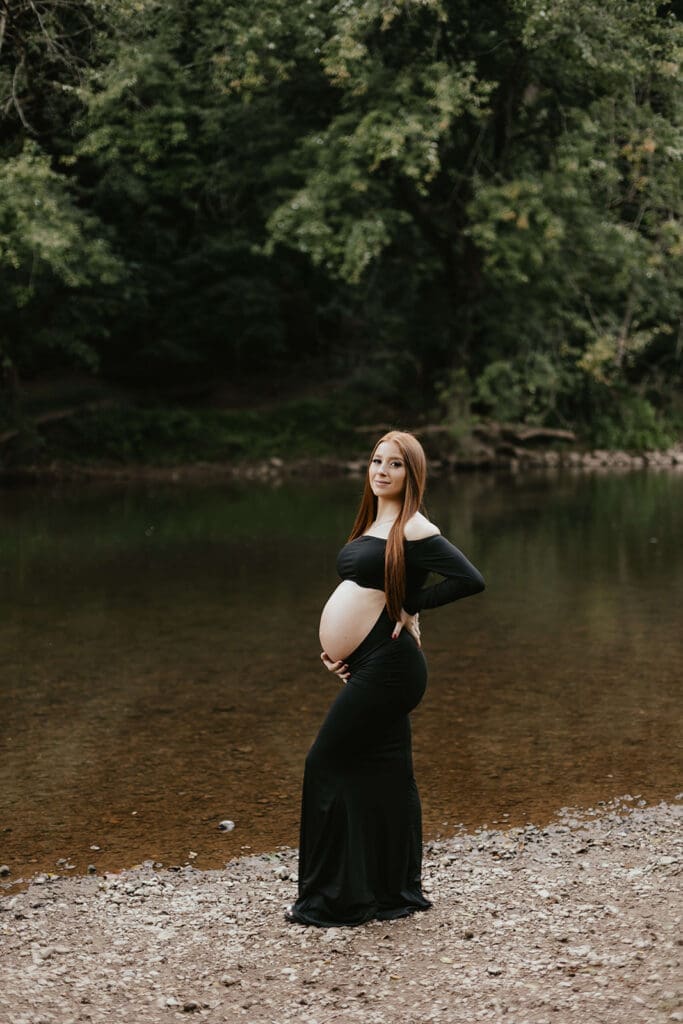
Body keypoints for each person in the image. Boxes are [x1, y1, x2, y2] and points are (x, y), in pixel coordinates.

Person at [286, 430, 485, 927]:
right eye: (377, 460)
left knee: (325, 760)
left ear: (411, 475)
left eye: (395, 464)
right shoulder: (376, 524)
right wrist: (342, 650)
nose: (381, 470)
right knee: (385, 770)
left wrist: (414, 603)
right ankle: (391, 891)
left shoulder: (416, 528)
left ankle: (333, 897)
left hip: (393, 668)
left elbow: (469, 580)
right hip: (373, 662)